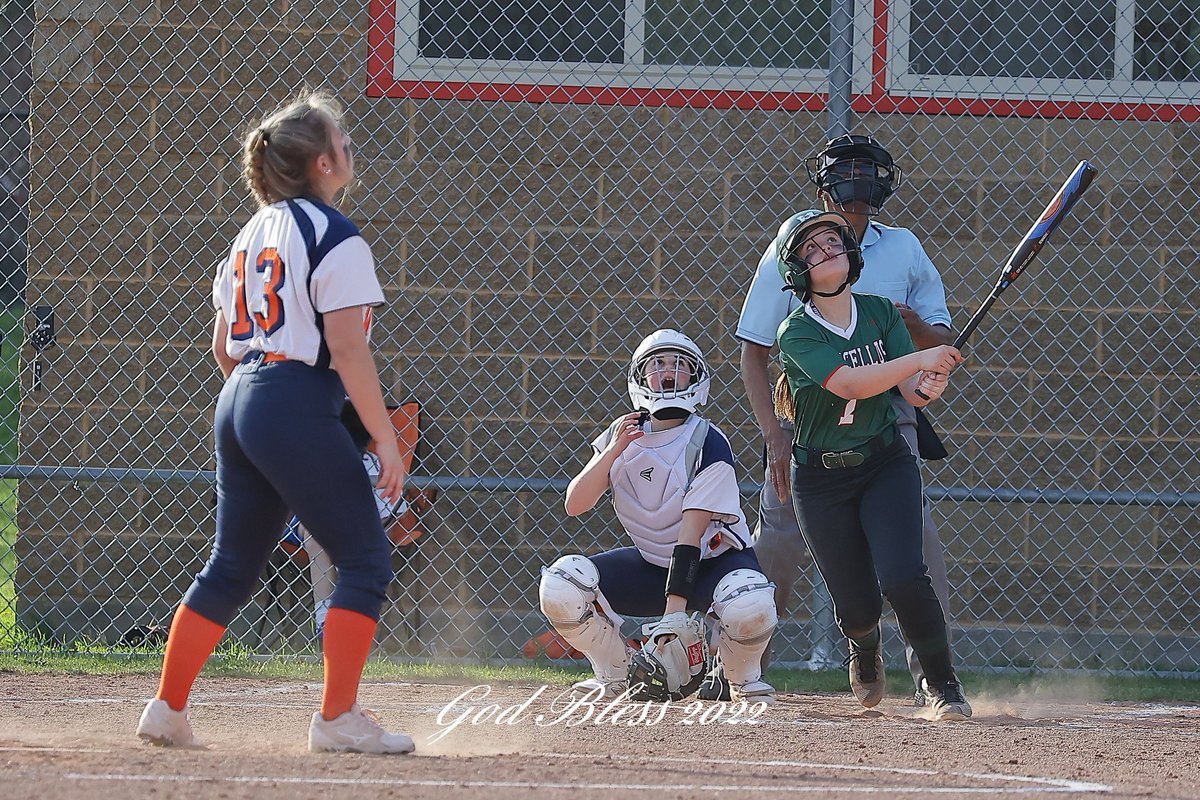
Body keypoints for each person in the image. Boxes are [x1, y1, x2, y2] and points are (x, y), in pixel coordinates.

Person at [134, 90, 415, 754]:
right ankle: (338, 718)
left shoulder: (251, 232)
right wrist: (382, 437)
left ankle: (166, 709)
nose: (350, 147)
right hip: (289, 396)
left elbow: (223, 348)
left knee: (231, 566)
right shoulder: (334, 234)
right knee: (366, 559)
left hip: (242, 398)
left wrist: (265, 414)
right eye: (341, 140)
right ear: (320, 163)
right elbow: (347, 350)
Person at [736, 134, 956, 703]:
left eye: (868, 168)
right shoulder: (792, 244)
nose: (857, 179)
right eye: (845, 169)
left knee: (914, 553)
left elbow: (937, 337)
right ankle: (744, 664)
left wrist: (918, 342)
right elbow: (754, 348)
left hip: (888, 417)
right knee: (779, 543)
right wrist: (773, 437)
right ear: (822, 185)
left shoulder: (903, 248)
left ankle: (931, 678)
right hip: (806, 424)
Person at [774, 208, 970, 720]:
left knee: (906, 575)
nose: (825, 251)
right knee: (857, 605)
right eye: (811, 250)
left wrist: (935, 376)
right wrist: (921, 359)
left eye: (831, 241)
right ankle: (863, 646)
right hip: (820, 479)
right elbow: (850, 384)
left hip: (884, 461)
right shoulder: (795, 333)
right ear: (797, 272)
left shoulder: (882, 312)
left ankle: (942, 686)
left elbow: (913, 394)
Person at [539, 330, 778, 705]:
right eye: (658, 364)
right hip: (654, 565)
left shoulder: (707, 439)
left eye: (679, 365)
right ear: (641, 377)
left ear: (695, 379)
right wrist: (616, 448)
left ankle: (739, 676)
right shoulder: (621, 435)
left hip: (713, 564)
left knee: (749, 600)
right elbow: (575, 504)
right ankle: (614, 671)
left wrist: (672, 620)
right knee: (562, 583)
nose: (668, 372)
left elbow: (691, 534)